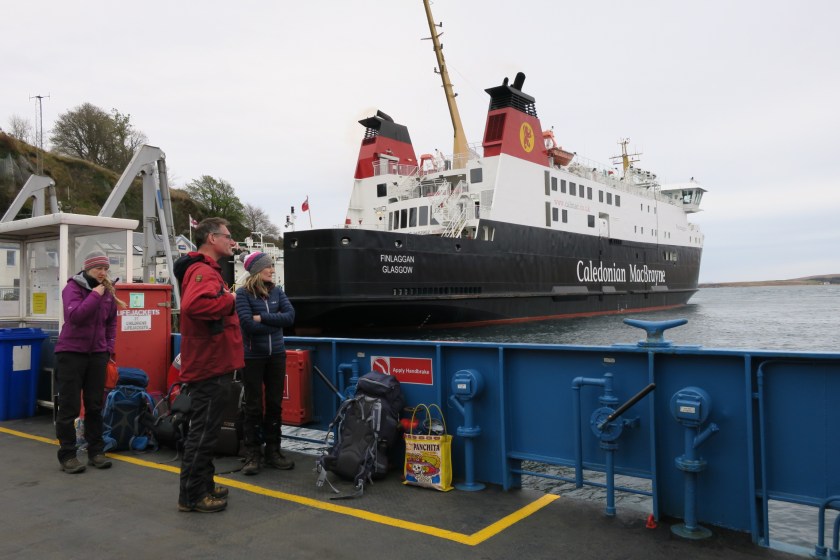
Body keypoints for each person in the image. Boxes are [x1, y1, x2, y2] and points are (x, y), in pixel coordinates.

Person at [173, 217, 244, 513]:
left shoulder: (205, 270)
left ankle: (204, 483)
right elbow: (194, 305)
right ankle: (192, 496)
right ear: (212, 238)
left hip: (211, 361)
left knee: (207, 431)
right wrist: (230, 300)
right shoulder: (203, 271)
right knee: (203, 433)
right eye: (227, 236)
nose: (231, 241)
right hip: (210, 365)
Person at [54, 251, 123, 473]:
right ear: (87, 269)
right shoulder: (72, 288)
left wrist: (108, 348)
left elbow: (111, 323)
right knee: (70, 406)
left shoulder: (108, 292)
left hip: (97, 355)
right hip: (71, 353)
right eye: (98, 268)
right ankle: (68, 455)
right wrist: (95, 295)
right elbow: (75, 316)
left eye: (105, 269)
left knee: (94, 405)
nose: (103, 273)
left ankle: (96, 452)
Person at [235, 252, 296, 475]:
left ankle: (273, 451)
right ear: (256, 270)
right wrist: (275, 323)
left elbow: (290, 317)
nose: (272, 269)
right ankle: (253, 453)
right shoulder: (243, 294)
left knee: (274, 404)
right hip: (252, 357)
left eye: (271, 266)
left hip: (276, 356)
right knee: (253, 406)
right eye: (268, 266)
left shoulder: (277, 292)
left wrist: (262, 318)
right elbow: (247, 325)